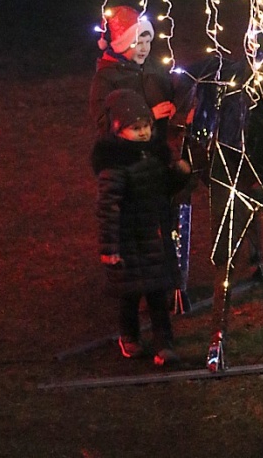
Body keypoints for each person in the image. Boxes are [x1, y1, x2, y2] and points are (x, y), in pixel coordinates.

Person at [91, 88, 192, 365]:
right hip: (129, 242)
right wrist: (110, 249)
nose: (145, 132)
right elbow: (107, 209)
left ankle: (164, 344)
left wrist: (180, 175)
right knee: (130, 296)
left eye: (146, 126)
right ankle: (130, 337)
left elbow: (164, 189)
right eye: (136, 129)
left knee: (158, 296)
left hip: (155, 238)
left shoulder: (155, 155)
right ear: (117, 130)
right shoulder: (115, 166)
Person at [89, 5, 176, 142]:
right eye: (137, 43)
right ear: (121, 45)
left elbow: (173, 88)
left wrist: (179, 106)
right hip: (129, 151)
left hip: (161, 142)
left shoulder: (153, 65)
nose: (144, 48)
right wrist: (149, 116)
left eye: (148, 42)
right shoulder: (106, 76)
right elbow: (104, 121)